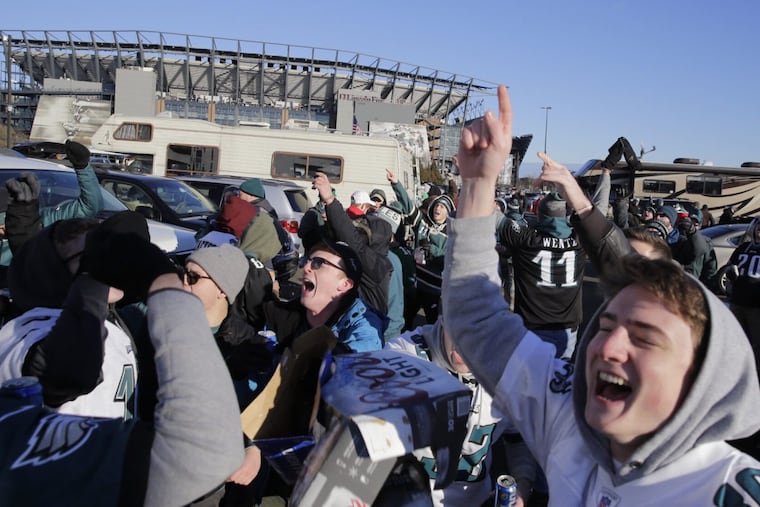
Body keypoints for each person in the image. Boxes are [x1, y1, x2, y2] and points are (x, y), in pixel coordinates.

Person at [443, 85, 760, 505]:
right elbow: (476, 320)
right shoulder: (567, 418)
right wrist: (478, 184)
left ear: (700, 376)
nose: (608, 345)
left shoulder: (726, 490)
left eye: (645, 337)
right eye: (607, 324)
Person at [0, 223, 244, 506]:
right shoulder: (28, 328)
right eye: (86, 258)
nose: (106, 265)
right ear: (51, 271)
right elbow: (66, 372)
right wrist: (157, 283)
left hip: (106, 473)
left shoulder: (106, 320)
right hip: (58, 482)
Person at [385, 318, 536, 506]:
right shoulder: (402, 356)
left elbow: (518, 440)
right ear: (443, 316)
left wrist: (521, 487)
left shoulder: (510, 373)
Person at [0, 216, 139, 420]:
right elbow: (63, 375)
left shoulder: (103, 313)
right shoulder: (33, 329)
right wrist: (93, 289)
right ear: (55, 271)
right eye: (91, 257)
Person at [184, 243, 277, 506]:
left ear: (222, 290)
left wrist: (254, 449)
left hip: (224, 481)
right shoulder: (167, 326)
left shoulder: (249, 347)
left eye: (193, 277)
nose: (182, 282)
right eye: (183, 273)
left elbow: (267, 412)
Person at [496, 189, 585, 359]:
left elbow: (493, 217)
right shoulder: (579, 241)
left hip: (533, 326)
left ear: (541, 215)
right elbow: (597, 214)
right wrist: (605, 173)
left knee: (530, 379)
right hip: (567, 328)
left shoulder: (526, 239)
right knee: (559, 379)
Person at [263, 238, 383, 353]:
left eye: (318, 263)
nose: (306, 268)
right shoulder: (280, 315)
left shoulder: (363, 325)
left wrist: (331, 358)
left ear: (345, 285)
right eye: (307, 261)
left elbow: (361, 356)